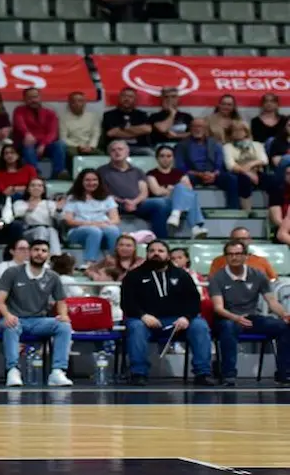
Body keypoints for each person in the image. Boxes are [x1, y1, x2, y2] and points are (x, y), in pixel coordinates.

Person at [120, 240, 215, 386]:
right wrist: (142, 315)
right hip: (146, 321)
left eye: (160, 251)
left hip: (178, 322)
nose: (156, 254)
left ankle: (203, 373)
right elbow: (127, 303)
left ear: (168, 255)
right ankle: (138, 373)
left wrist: (186, 317)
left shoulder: (181, 275)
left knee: (199, 325)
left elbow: (194, 301)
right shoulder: (134, 276)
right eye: (152, 251)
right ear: (147, 254)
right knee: (135, 326)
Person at [209, 240, 290, 386]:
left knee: (284, 327)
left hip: (251, 317)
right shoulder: (217, 277)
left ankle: (284, 374)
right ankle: (228, 375)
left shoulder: (257, 275)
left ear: (246, 256)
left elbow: (272, 302)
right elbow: (218, 308)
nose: (234, 257)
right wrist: (236, 318)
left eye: (238, 254)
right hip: (228, 318)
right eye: (230, 254)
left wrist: (285, 314)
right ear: (225, 257)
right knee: (227, 328)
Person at [0, 240, 74, 387]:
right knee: (10, 325)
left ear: (48, 255)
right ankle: (13, 370)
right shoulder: (12, 272)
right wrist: (7, 315)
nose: (40, 253)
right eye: (36, 250)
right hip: (15, 318)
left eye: (44, 250)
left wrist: (63, 315)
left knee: (63, 326)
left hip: (39, 321)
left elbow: (61, 301)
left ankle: (58, 371)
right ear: (29, 252)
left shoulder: (53, 276)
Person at [146, 145, 209, 239]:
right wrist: (176, 190)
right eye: (162, 156)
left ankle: (176, 214)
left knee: (186, 192)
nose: (165, 159)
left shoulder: (180, 173)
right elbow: (157, 191)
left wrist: (168, 188)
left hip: (179, 201)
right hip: (163, 202)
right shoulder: (151, 174)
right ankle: (195, 226)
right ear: (157, 158)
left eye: (168, 156)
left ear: (173, 158)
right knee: (181, 189)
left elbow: (188, 190)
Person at [62, 169, 122, 264]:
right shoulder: (73, 198)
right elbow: (69, 220)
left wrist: (106, 224)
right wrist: (91, 224)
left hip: (103, 227)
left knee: (114, 230)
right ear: (81, 182)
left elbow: (116, 219)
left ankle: (115, 261)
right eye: (87, 180)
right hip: (78, 230)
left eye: (94, 180)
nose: (91, 183)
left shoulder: (107, 197)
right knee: (94, 231)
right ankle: (90, 262)